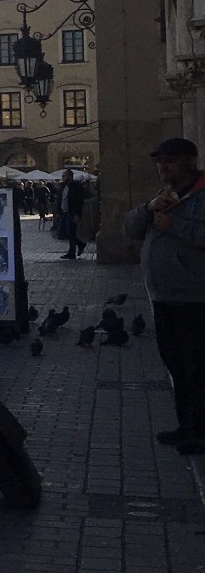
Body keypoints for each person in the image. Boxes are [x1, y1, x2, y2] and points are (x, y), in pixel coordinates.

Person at [123, 138, 205, 455]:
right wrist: (148, 210)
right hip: (164, 297)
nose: (163, 168)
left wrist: (175, 225)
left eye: (169, 162)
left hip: (195, 297)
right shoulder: (164, 195)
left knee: (196, 366)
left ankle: (199, 431)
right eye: (160, 163)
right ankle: (187, 426)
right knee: (176, 364)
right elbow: (130, 227)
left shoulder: (200, 195)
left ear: (188, 161)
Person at [57, 169, 87, 258]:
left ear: (70, 177)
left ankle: (72, 252)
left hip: (72, 212)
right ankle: (80, 244)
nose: (63, 178)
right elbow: (61, 199)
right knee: (64, 232)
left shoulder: (76, 186)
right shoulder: (63, 186)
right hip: (64, 212)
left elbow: (79, 201)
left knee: (71, 232)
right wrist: (59, 211)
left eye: (64, 176)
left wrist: (77, 213)